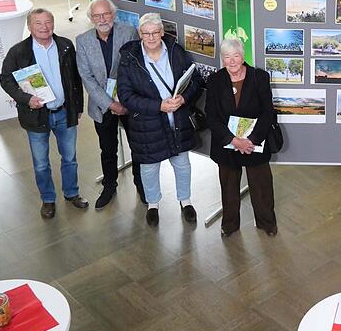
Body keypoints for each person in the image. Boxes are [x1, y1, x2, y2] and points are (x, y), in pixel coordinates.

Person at [0, 8, 88, 218]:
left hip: (65, 112)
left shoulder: (65, 45)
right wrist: (26, 99)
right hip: (37, 116)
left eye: (48, 22)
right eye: (38, 23)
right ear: (30, 27)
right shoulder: (18, 52)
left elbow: (76, 79)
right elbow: (6, 79)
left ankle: (72, 193)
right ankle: (48, 200)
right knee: (41, 163)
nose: (44, 27)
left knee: (70, 158)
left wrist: (78, 108)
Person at [116, 13, 202, 226]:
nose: (152, 37)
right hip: (147, 124)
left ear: (162, 33)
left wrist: (184, 98)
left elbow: (196, 81)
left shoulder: (175, 51)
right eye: (147, 33)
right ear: (140, 34)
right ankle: (153, 205)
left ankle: (186, 200)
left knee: (182, 164)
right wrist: (158, 106)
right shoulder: (129, 59)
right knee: (149, 167)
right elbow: (126, 96)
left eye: (156, 32)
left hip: (177, 120)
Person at [76, 0, 144, 209]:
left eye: (106, 14)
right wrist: (110, 104)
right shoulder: (83, 40)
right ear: (91, 18)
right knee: (107, 148)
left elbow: (136, 68)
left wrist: (124, 100)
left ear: (113, 15)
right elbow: (87, 78)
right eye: (97, 16)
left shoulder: (129, 32)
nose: (102, 19)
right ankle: (109, 185)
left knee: (138, 146)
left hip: (129, 102)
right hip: (101, 105)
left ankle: (141, 184)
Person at [205, 39, 278, 237]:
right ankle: (229, 225)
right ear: (222, 59)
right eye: (227, 57)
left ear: (243, 56)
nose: (232, 61)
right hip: (227, 144)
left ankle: (267, 223)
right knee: (228, 189)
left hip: (255, 143)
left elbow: (267, 112)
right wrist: (233, 140)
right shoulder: (214, 81)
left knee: (262, 187)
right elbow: (211, 116)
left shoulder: (259, 77)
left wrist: (252, 140)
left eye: (235, 56)